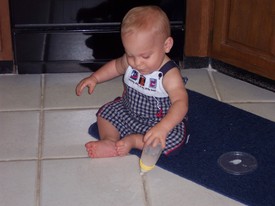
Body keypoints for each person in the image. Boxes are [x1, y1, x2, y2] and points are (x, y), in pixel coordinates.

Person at [76, 5, 189, 158]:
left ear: (166, 45)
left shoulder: (169, 74)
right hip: (128, 111)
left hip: (158, 121)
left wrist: (163, 127)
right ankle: (110, 141)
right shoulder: (131, 61)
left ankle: (134, 141)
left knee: (169, 140)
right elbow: (115, 66)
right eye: (130, 55)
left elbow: (181, 103)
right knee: (106, 114)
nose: (136, 63)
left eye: (145, 56)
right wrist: (95, 78)